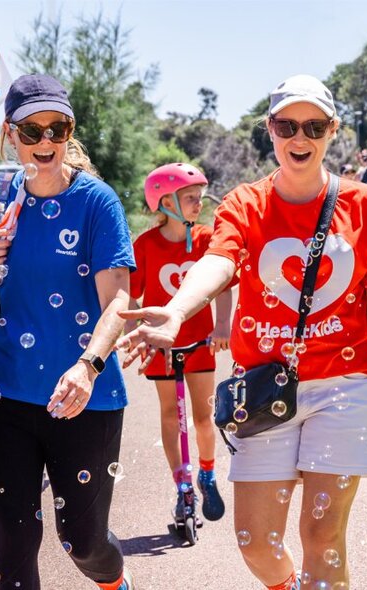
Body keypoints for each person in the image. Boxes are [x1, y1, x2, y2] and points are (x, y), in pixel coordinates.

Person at [116, 74, 367, 590]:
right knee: (256, 542)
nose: (299, 137)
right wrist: (177, 307)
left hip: (348, 385)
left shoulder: (364, 204)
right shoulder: (243, 205)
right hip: (265, 389)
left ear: (332, 131)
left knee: (322, 534)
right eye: (286, 125)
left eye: (313, 125)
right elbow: (218, 261)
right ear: (270, 129)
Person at [0, 74, 137, 590]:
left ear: (69, 130)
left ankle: (115, 580)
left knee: (82, 540)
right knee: (14, 542)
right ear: (9, 134)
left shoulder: (97, 203)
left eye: (56, 128)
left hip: (85, 396)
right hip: (3, 393)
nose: (45, 143)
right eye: (30, 131)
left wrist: (87, 367)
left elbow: (118, 301)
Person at [128, 163, 234, 525]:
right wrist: (141, 329)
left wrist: (222, 326)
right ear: (165, 202)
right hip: (162, 346)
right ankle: (181, 485)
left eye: (199, 199)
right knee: (171, 415)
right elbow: (131, 297)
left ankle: (206, 473)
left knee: (204, 416)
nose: (197, 205)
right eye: (189, 198)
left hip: (200, 342)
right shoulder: (145, 245)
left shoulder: (207, 239)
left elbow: (222, 284)